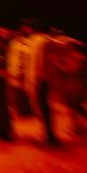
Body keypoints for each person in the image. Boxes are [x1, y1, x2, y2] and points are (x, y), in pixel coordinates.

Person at [24, 18, 63, 146]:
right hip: (40, 78)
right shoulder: (40, 40)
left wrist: (36, 80)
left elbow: (38, 61)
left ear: (31, 28)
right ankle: (48, 134)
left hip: (39, 79)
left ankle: (50, 136)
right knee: (43, 107)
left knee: (43, 108)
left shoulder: (40, 41)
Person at [6, 23, 33, 116]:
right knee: (16, 91)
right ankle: (19, 110)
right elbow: (12, 58)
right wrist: (12, 69)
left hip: (23, 70)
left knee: (23, 91)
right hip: (15, 69)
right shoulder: (13, 43)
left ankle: (25, 110)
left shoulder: (26, 43)